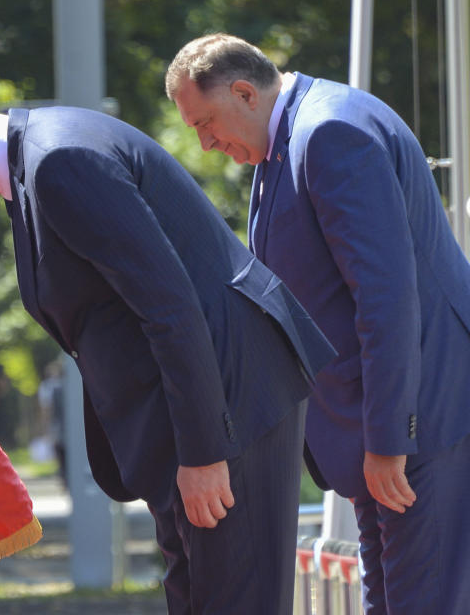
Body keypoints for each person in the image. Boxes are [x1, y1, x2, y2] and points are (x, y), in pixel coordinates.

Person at [0, 90, 335, 613]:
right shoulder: (38, 157)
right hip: (203, 412)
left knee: (233, 601)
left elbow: (169, 305)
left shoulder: (57, 160)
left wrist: (204, 453)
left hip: (228, 410)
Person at [167, 33, 470, 614]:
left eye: (205, 122)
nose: (205, 144)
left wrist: (388, 439)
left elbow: (385, 296)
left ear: (243, 93)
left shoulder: (329, 133)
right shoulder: (288, 137)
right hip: (379, 430)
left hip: (417, 425)